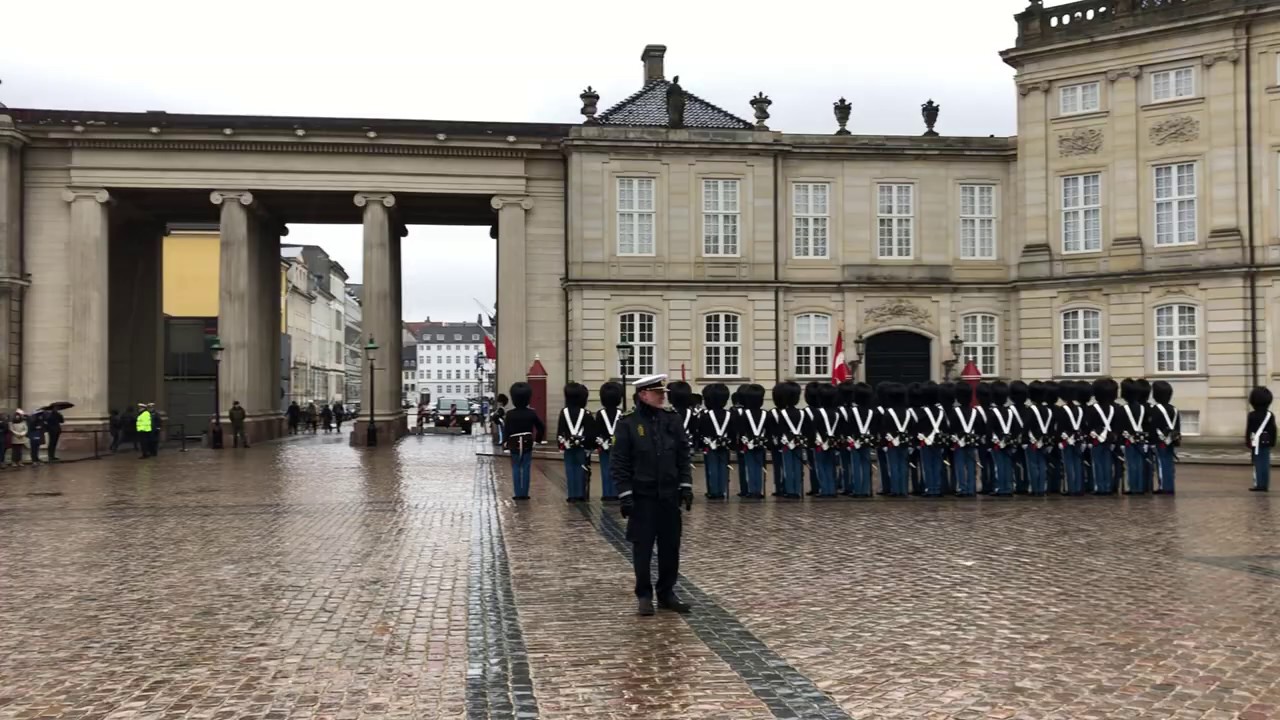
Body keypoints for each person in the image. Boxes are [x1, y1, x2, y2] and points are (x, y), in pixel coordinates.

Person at [612, 374, 693, 616]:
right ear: (643, 395)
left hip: (668, 496)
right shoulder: (627, 423)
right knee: (643, 549)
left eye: (663, 393)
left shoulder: (672, 420)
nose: (662, 396)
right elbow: (619, 462)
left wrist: (686, 485)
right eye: (658, 392)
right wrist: (625, 494)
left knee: (670, 548)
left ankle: (667, 592)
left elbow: (683, 456)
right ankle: (644, 595)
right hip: (642, 496)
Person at [503, 382, 544, 500]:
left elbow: (507, 430)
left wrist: (505, 443)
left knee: (516, 467)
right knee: (526, 467)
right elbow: (541, 427)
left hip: (514, 443)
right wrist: (538, 440)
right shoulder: (531, 413)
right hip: (527, 442)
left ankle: (518, 493)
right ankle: (525, 493)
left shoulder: (510, 414)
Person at [698, 383, 733, 500]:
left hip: (710, 444)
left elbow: (701, 430)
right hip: (724, 444)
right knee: (723, 467)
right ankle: (721, 490)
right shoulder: (729, 414)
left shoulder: (705, 415)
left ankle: (713, 491)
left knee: (712, 467)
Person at [557, 382, 591, 502]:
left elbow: (560, 430)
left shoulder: (563, 412)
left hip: (568, 446)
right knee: (581, 469)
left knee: (570, 470)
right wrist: (589, 447)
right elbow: (590, 432)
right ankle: (580, 494)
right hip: (582, 446)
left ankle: (572, 495)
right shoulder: (586, 413)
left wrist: (561, 445)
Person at [1087, 378, 1120, 495]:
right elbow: (1117, 425)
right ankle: (1108, 486)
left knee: (1098, 464)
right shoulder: (1116, 408)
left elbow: (1089, 425)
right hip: (1110, 440)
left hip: (1096, 440)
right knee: (1108, 463)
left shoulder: (1091, 409)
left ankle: (1099, 487)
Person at [737, 384, 769, 499]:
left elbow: (741, 430)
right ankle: (758, 490)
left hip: (748, 443)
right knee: (759, 466)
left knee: (750, 467)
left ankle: (751, 490)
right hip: (760, 442)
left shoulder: (744, 414)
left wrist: (742, 443)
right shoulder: (765, 413)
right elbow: (767, 429)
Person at [1149, 380, 1180, 494]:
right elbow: (1177, 426)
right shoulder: (1174, 409)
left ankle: (1164, 487)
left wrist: (1151, 441)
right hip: (1171, 440)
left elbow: (1153, 426)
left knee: (1161, 464)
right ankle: (1170, 485)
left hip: (1160, 440)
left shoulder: (1155, 409)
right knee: (1169, 463)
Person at [596, 382, 624, 501]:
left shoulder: (600, 414)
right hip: (619, 447)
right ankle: (617, 492)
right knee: (618, 470)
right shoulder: (622, 413)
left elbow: (597, 431)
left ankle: (607, 493)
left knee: (605, 469)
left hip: (604, 446)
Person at [1247, 386, 1274, 492]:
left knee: (1257, 463)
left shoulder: (1252, 415)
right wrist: (1272, 442)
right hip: (1266, 442)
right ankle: (1264, 484)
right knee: (1265, 464)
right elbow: (1273, 429)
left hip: (1256, 442)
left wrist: (1248, 441)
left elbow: (1249, 430)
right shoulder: (1270, 415)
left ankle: (1259, 484)